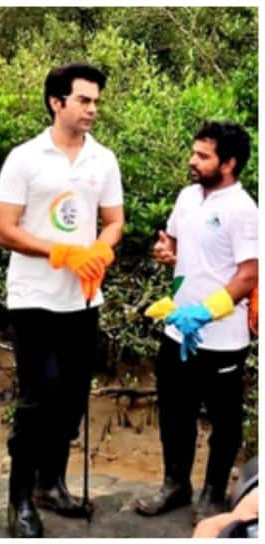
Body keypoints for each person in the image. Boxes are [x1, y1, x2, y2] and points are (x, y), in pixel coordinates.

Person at [0, 63, 123, 538]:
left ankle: (53, 483)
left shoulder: (102, 160)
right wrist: (61, 251)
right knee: (38, 396)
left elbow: (113, 220)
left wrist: (100, 249)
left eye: (96, 101)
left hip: (84, 299)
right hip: (34, 298)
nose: (92, 109)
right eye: (84, 100)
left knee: (70, 398)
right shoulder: (25, 158)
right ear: (57, 102)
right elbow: (4, 229)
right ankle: (19, 498)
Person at [136, 121, 257, 524]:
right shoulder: (188, 196)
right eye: (194, 152)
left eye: (203, 156)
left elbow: (248, 275)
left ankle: (212, 494)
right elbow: (171, 239)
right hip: (177, 330)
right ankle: (175, 485)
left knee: (224, 420)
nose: (192, 161)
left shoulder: (243, 210)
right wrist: (166, 250)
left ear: (229, 163)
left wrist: (205, 311)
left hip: (222, 338)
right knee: (174, 412)